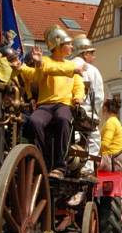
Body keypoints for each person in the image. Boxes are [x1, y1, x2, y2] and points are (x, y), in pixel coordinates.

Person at [27, 25, 85, 179]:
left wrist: (78, 98)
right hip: (45, 105)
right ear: (59, 46)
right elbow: (38, 77)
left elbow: (79, 85)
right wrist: (39, 64)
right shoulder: (45, 61)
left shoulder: (71, 66)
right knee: (34, 121)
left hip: (64, 104)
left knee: (64, 118)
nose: (72, 47)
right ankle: (42, 159)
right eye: (69, 44)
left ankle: (60, 165)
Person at [71, 34, 105, 176]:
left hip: (67, 108)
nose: (94, 57)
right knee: (94, 137)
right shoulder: (92, 70)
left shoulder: (67, 64)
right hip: (84, 112)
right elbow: (98, 97)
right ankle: (87, 167)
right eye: (92, 53)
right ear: (84, 53)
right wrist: (96, 113)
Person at [98, 98, 122, 171]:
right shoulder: (115, 121)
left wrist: (94, 150)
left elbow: (105, 144)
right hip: (113, 159)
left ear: (105, 108)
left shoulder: (111, 122)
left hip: (110, 160)